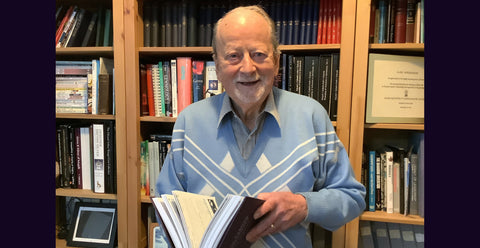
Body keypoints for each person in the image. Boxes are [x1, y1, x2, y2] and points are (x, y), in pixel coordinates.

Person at [156, 5, 366, 247]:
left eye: (258, 54)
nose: (247, 68)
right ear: (217, 64)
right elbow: (167, 204)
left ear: (276, 61)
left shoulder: (311, 116)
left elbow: (352, 198)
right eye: (233, 56)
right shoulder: (189, 121)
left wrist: (305, 205)